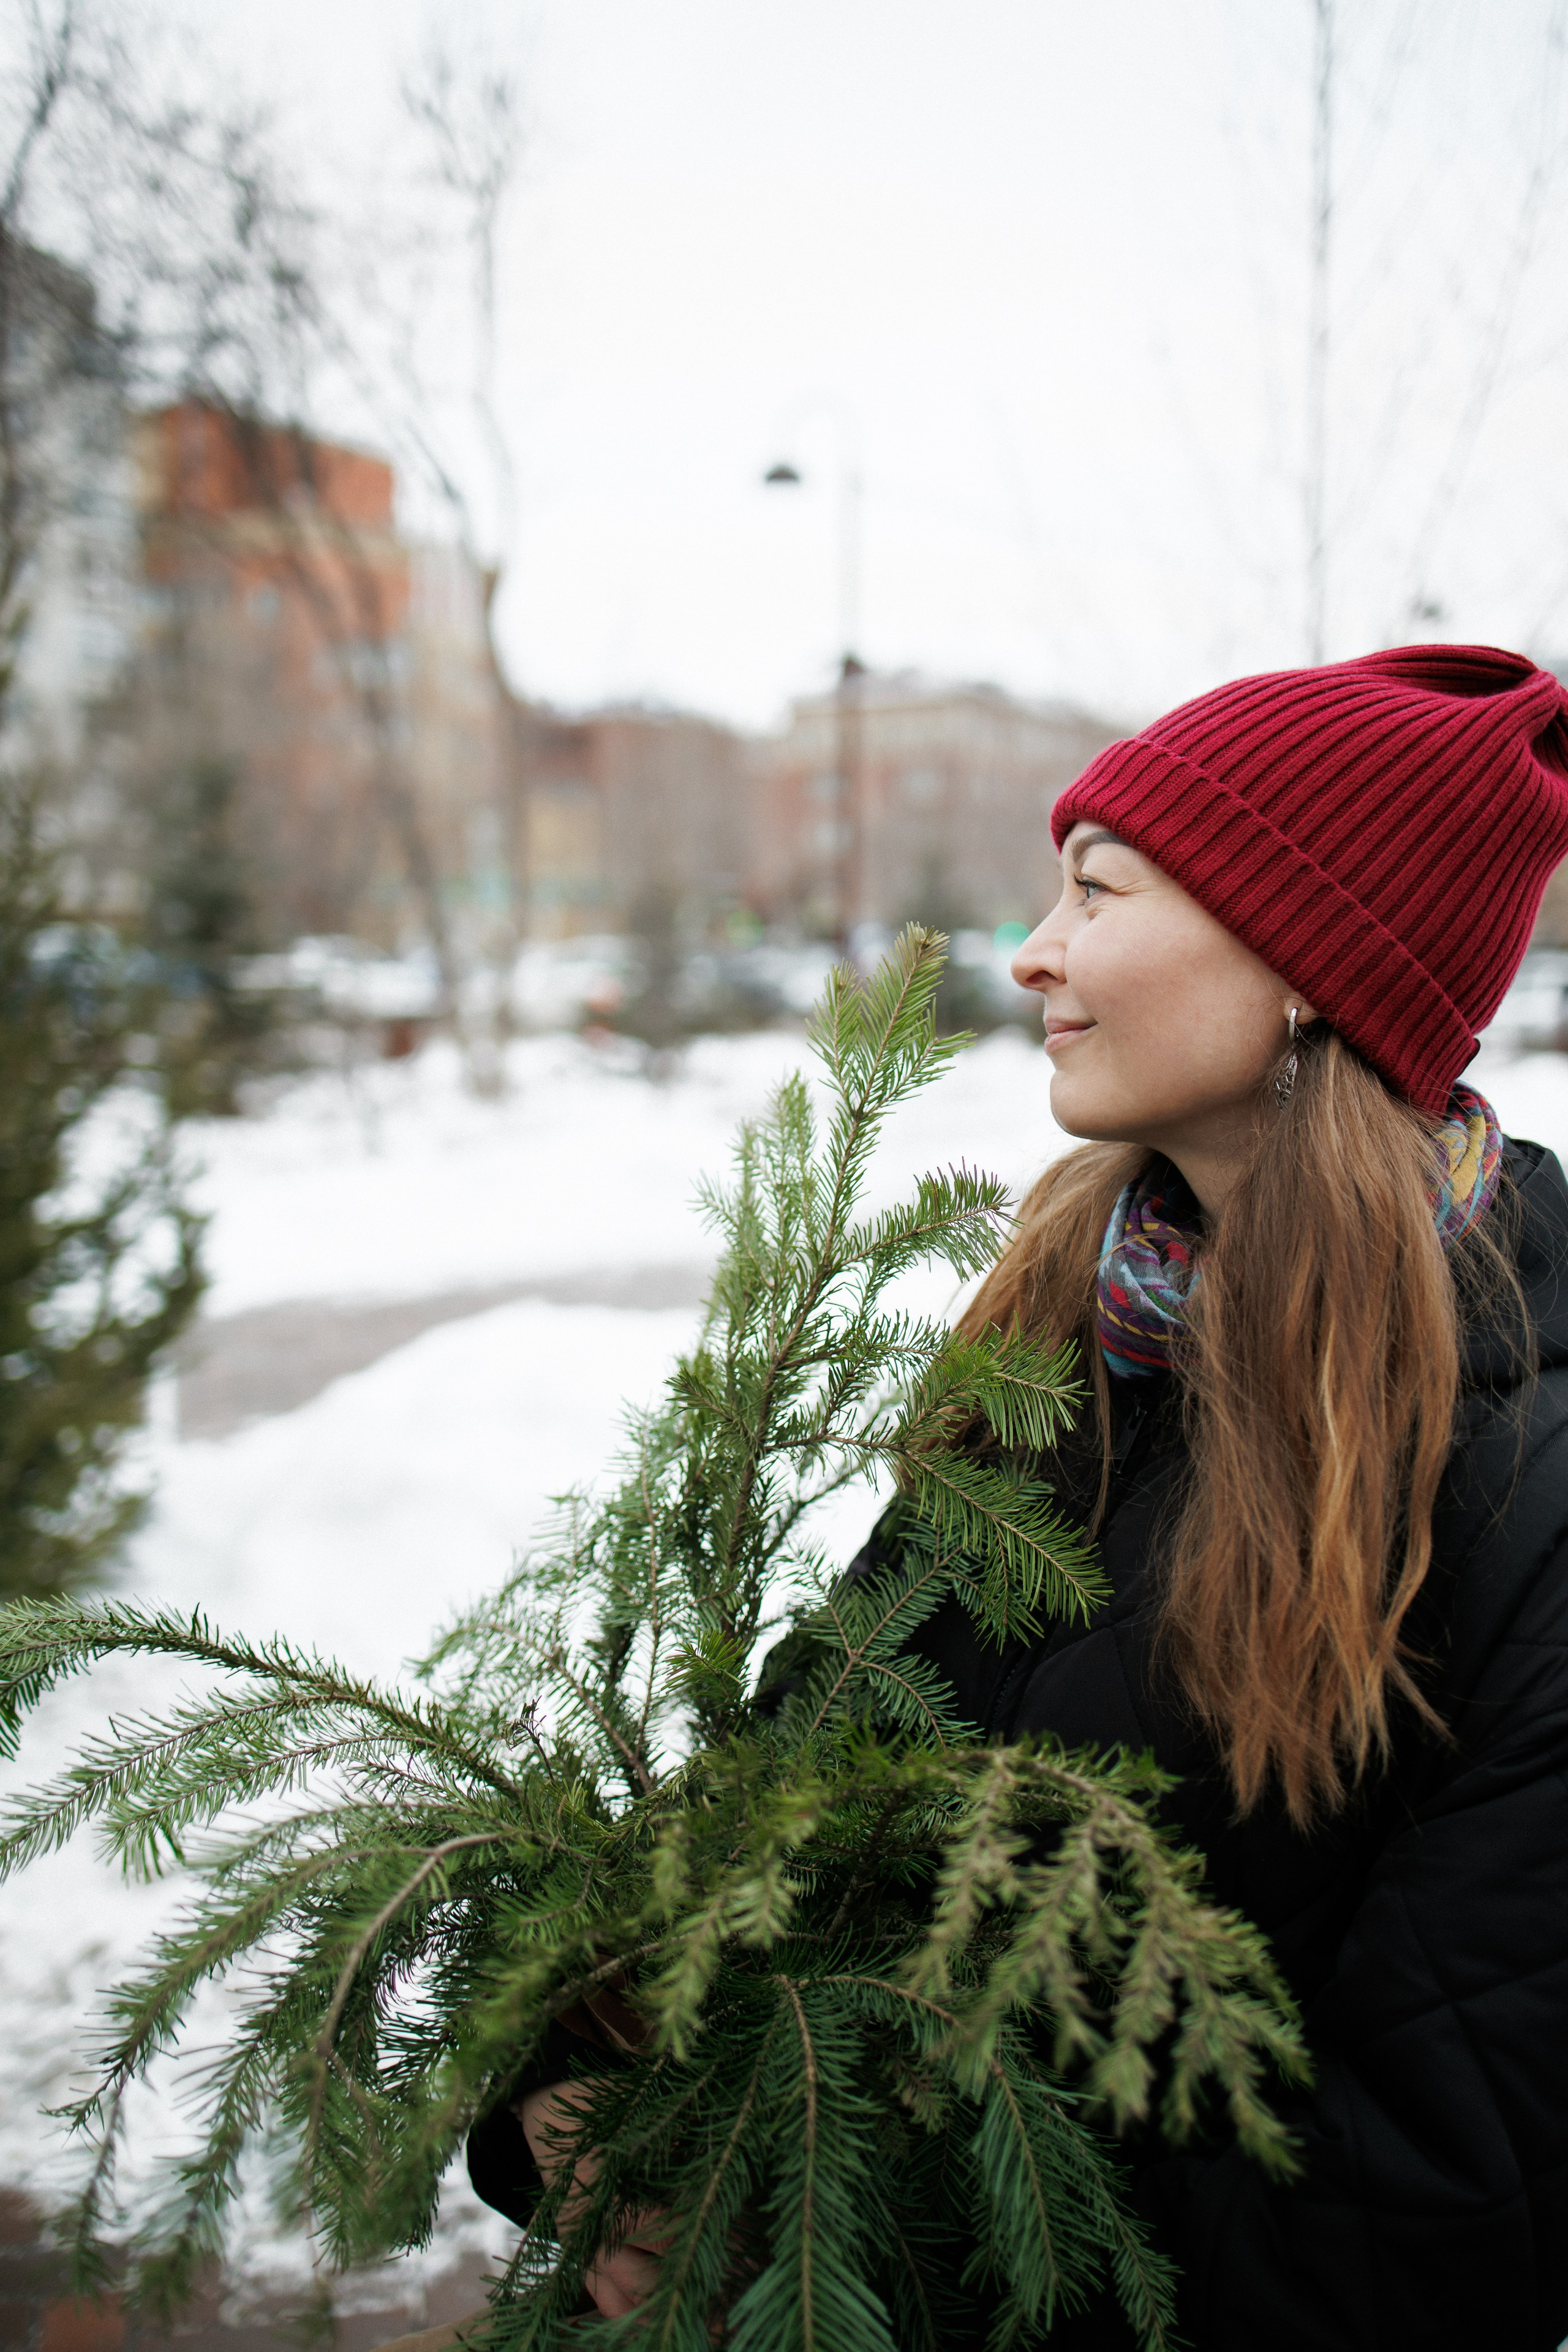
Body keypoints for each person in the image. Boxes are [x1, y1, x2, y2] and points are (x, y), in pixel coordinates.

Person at [467, 644, 1568, 2352]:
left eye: (1098, 891)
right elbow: (791, 1780)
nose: (1034, 952)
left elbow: (1426, 2207)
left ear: (1302, 964)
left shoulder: (1526, 1496)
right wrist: (579, 2096)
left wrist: (831, 2233)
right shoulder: (1061, 1351)